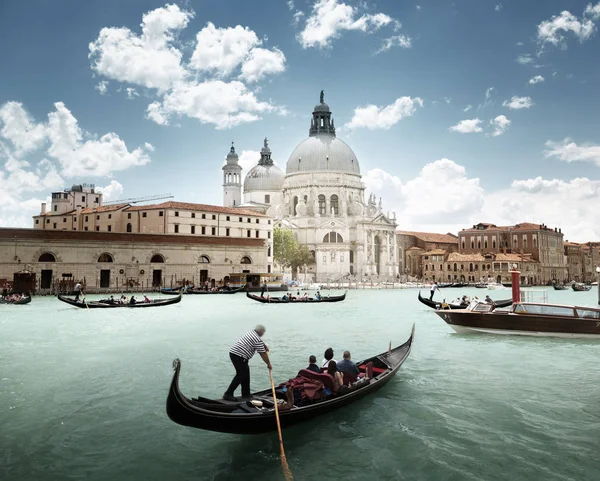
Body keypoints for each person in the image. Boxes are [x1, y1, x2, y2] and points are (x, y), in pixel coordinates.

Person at [223, 324, 271, 402]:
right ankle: (228, 394)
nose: (263, 333)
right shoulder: (257, 339)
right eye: (263, 332)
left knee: (245, 373)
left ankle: (246, 394)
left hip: (235, 354)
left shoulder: (252, 333)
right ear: (261, 331)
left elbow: (259, 342)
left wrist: (264, 345)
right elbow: (263, 353)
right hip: (239, 356)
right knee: (241, 374)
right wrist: (268, 364)